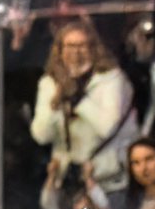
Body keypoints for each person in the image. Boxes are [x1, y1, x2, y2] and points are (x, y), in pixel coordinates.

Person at [30, 18, 138, 196]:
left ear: (93, 48)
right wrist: (56, 103)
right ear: (59, 50)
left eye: (82, 45)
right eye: (70, 46)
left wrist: (78, 99)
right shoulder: (49, 83)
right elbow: (41, 135)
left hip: (107, 179)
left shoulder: (112, 79)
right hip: (66, 181)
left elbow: (107, 127)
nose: (75, 52)